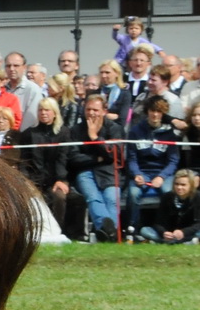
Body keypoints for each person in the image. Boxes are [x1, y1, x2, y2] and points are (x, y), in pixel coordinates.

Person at [59, 94, 127, 242]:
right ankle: (110, 232)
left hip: (109, 172)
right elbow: (74, 158)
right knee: (93, 198)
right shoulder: (76, 130)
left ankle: (107, 233)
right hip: (85, 172)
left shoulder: (115, 129)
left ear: (104, 111)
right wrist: (97, 159)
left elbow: (115, 155)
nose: (91, 113)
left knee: (111, 199)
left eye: (95, 110)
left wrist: (95, 138)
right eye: (88, 109)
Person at [17, 98, 71, 236]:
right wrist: (26, 181)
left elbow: (62, 158)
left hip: (56, 178)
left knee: (59, 197)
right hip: (33, 179)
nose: (43, 113)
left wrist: (60, 179)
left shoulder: (64, 133)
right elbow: (24, 161)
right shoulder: (29, 133)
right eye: (40, 110)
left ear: (55, 113)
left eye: (47, 110)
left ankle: (58, 232)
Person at [125, 95, 180, 231]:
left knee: (168, 192)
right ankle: (133, 229)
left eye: (159, 111)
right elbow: (131, 158)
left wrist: (161, 177)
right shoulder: (135, 131)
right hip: (142, 172)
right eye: (152, 111)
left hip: (163, 173)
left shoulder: (169, 133)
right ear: (147, 111)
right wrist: (136, 174)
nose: (155, 114)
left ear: (163, 113)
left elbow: (173, 161)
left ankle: (168, 229)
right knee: (133, 193)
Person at [138, 169, 198, 243]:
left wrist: (183, 232)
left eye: (183, 185)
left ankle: (165, 242)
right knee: (145, 230)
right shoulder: (167, 197)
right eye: (177, 184)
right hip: (170, 234)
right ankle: (182, 242)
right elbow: (158, 223)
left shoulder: (197, 197)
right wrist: (164, 233)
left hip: (189, 232)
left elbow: (198, 224)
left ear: (191, 185)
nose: (179, 187)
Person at [2, 52, 42, 130]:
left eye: (16, 66)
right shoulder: (2, 88)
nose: (11, 69)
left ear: (24, 67)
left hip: (22, 137)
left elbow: (32, 119)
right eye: (8, 66)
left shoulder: (33, 89)